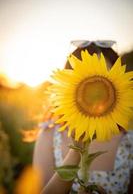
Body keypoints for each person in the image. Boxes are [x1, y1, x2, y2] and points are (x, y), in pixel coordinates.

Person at [33, 40, 133, 194]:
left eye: (104, 77)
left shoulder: (129, 142)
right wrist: (76, 152)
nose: (96, 96)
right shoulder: (49, 136)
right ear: (70, 85)